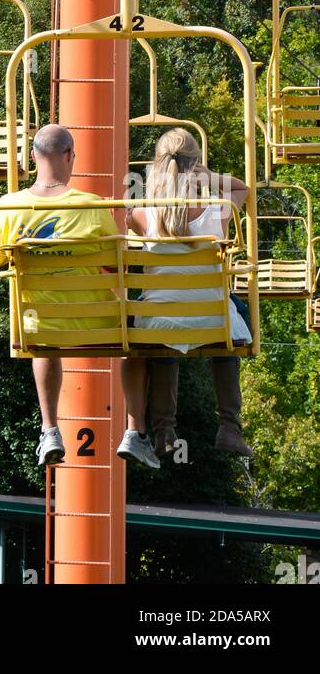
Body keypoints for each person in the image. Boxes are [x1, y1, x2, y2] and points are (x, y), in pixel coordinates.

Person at [0, 124, 136, 467]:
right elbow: (117, 265)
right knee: (136, 330)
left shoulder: (6, 208)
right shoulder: (93, 206)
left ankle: (50, 427)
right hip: (102, 328)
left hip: (37, 327)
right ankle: (135, 430)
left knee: (44, 330)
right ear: (70, 157)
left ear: (34, 156)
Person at [122, 128, 252, 463]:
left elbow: (118, 220)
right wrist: (207, 176)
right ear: (196, 165)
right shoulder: (219, 208)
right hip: (212, 321)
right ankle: (229, 425)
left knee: (165, 327)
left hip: (156, 325)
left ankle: (165, 430)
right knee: (234, 314)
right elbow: (244, 188)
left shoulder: (141, 214)